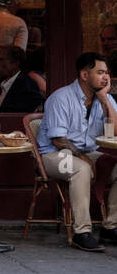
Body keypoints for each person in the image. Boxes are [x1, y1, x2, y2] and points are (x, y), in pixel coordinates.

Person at [37, 52, 117, 252]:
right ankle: (82, 233)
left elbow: (115, 131)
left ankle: (110, 227)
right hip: (53, 155)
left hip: (86, 153)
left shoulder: (104, 98)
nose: (106, 77)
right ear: (84, 75)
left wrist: (105, 100)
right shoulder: (61, 98)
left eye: (106, 73)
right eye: (100, 72)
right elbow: (58, 140)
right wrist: (84, 159)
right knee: (81, 169)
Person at [0, 45, 45, 111]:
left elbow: (29, 111)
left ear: (15, 63)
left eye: (1, 59)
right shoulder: (1, 83)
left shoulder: (27, 85)